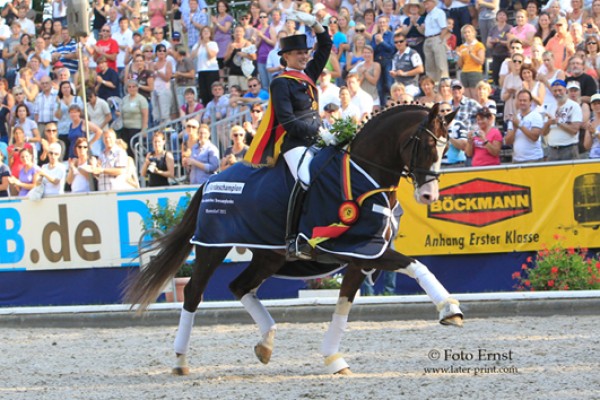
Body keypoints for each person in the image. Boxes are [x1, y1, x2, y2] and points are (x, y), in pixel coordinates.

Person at [243, 10, 331, 260]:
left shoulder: (308, 75)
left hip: (318, 140)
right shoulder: (281, 82)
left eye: (305, 52)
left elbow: (325, 46)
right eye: (299, 53)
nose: (305, 56)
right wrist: (318, 132)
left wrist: (315, 24)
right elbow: (289, 121)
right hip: (296, 145)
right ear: (286, 57)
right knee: (304, 181)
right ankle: (293, 238)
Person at [542, 79, 582, 161]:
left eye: (560, 90)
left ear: (565, 90)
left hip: (569, 149)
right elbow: (543, 132)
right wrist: (548, 123)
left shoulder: (574, 106)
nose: (557, 93)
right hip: (552, 150)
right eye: (555, 91)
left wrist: (558, 123)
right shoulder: (550, 107)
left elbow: (574, 130)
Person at [505, 89, 545, 163]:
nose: (522, 102)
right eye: (520, 100)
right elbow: (507, 141)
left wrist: (520, 125)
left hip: (534, 159)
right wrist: (514, 129)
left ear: (530, 102)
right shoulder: (514, 118)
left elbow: (534, 137)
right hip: (517, 159)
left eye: (524, 100)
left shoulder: (536, 116)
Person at [419, 0, 449, 82]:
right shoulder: (428, 15)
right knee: (429, 66)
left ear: (433, 2)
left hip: (437, 37)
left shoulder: (439, 12)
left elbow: (444, 28)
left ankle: (444, 85)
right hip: (428, 38)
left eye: (427, 2)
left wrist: (440, 40)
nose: (425, 5)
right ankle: (433, 87)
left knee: (440, 65)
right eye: (424, 3)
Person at [389, 32, 423, 97]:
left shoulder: (412, 53)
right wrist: (394, 73)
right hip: (399, 86)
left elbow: (420, 69)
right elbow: (394, 71)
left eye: (401, 41)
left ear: (405, 42)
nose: (398, 44)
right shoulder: (395, 56)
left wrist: (404, 73)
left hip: (411, 85)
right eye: (396, 42)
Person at [192, 26, 219, 108]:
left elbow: (211, 55)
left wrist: (206, 45)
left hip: (211, 70)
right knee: (204, 93)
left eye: (207, 31)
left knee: (212, 92)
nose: (206, 33)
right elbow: (192, 56)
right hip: (201, 70)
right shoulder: (197, 45)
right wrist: (199, 45)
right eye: (204, 31)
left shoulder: (213, 44)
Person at [456, 24, 485, 99]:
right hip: (464, 72)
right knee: (467, 96)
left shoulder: (479, 45)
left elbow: (481, 61)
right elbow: (460, 65)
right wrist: (459, 57)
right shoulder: (462, 47)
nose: (467, 34)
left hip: (475, 72)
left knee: (476, 95)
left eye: (469, 32)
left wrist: (471, 54)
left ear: (473, 33)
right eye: (465, 32)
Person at [120, 80, 149, 157]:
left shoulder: (141, 99)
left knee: (135, 151)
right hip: (125, 129)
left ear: (137, 88)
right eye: (129, 87)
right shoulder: (124, 99)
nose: (131, 88)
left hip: (136, 128)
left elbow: (145, 115)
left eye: (133, 86)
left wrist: (144, 129)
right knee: (127, 150)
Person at [584, 93, 600, 158]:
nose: (597, 105)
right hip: (593, 156)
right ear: (591, 106)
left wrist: (595, 132)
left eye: (599, 103)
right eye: (594, 104)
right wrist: (589, 133)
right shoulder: (590, 122)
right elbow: (586, 146)